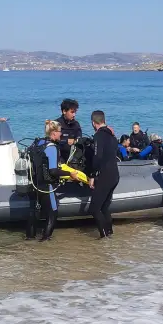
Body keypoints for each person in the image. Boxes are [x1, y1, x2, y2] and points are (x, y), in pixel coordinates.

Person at [26, 120, 81, 241]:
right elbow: (53, 171)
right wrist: (70, 173)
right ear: (54, 133)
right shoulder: (52, 148)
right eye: (60, 132)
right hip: (47, 186)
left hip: (34, 183)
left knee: (35, 211)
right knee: (53, 212)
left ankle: (29, 239)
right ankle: (45, 239)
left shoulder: (38, 143)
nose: (61, 134)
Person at [87, 110, 120, 238]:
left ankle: (104, 236)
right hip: (115, 175)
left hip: (105, 175)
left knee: (94, 209)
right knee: (105, 207)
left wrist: (92, 176)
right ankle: (110, 233)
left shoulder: (98, 136)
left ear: (93, 123)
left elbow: (97, 157)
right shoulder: (112, 135)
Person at [55, 98, 82, 163]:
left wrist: (75, 141)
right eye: (72, 112)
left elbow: (80, 140)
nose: (74, 115)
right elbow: (52, 141)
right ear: (64, 111)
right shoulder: (56, 124)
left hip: (73, 158)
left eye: (75, 112)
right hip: (59, 157)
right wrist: (66, 141)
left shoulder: (76, 124)